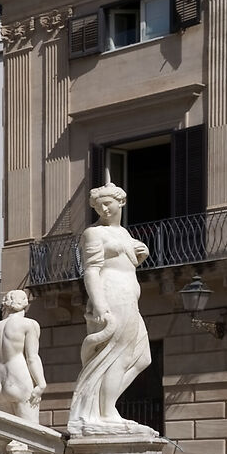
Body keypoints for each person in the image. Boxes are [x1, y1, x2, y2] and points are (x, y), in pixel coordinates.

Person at [68, 183, 152, 434]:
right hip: (111, 295)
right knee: (118, 354)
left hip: (129, 297)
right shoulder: (94, 234)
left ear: (121, 203)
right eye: (98, 205)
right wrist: (101, 305)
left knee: (142, 357)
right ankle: (106, 411)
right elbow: (91, 271)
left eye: (108, 203)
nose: (103, 208)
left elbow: (124, 262)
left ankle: (101, 403)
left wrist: (140, 255)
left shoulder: (124, 234)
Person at [0, 288, 45, 423]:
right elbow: (32, 358)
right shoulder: (29, 324)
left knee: (8, 434)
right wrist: (41, 383)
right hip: (19, 375)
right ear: (24, 303)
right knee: (30, 433)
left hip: (0, 379)